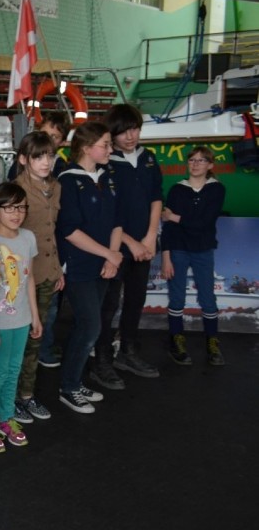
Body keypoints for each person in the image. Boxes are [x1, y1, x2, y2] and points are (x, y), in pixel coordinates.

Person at [91, 104, 163, 390]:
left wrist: (149, 237)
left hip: (144, 245)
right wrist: (129, 242)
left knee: (135, 299)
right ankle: (102, 359)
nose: (130, 136)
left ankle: (128, 352)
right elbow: (106, 213)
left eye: (134, 130)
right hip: (114, 246)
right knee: (108, 305)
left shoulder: (149, 159)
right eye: (123, 132)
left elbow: (157, 198)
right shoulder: (106, 163)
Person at [56, 121, 123, 414]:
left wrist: (112, 257)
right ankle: (68, 387)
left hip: (105, 265)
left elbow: (117, 222)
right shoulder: (68, 181)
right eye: (105, 144)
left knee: (91, 327)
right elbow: (69, 230)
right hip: (80, 266)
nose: (110, 149)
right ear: (86, 148)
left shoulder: (108, 177)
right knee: (90, 326)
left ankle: (75, 380)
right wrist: (109, 253)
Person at [0, 183, 41, 452]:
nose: (16, 213)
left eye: (21, 207)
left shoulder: (27, 238)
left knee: (13, 370)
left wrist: (35, 317)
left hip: (22, 318)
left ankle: (6, 418)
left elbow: (28, 279)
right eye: (9, 208)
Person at [10, 132, 62, 425]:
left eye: (50, 156)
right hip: (21, 278)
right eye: (38, 157)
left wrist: (57, 269)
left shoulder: (56, 187)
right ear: (23, 160)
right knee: (21, 340)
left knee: (37, 338)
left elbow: (50, 232)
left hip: (48, 273)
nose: (46, 162)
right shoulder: (15, 191)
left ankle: (27, 394)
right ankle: (14, 398)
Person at [160, 146, 226, 366]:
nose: (196, 164)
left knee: (207, 298)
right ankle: (176, 339)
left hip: (203, 250)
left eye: (201, 160)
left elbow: (203, 223)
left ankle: (212, 341)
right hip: (178, 249)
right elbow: (167, 227)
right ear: (187, 163)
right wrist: (166, 257)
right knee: (176, 296)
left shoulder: (216, 190)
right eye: (192, 160)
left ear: (210, 165)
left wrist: (175, 217)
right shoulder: (177, 190)